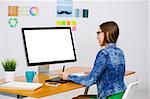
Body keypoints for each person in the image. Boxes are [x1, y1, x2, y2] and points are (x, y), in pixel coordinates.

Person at [60, 21, 126, 99]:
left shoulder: (104, 53)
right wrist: (94, 72)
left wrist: (68, 77)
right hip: (120, 95)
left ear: (107, 33)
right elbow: (111, 73)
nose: (97, 37)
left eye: (98, 33)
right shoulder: (120, 52)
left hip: (108, 97)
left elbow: (89, 81)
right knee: (80, 97)